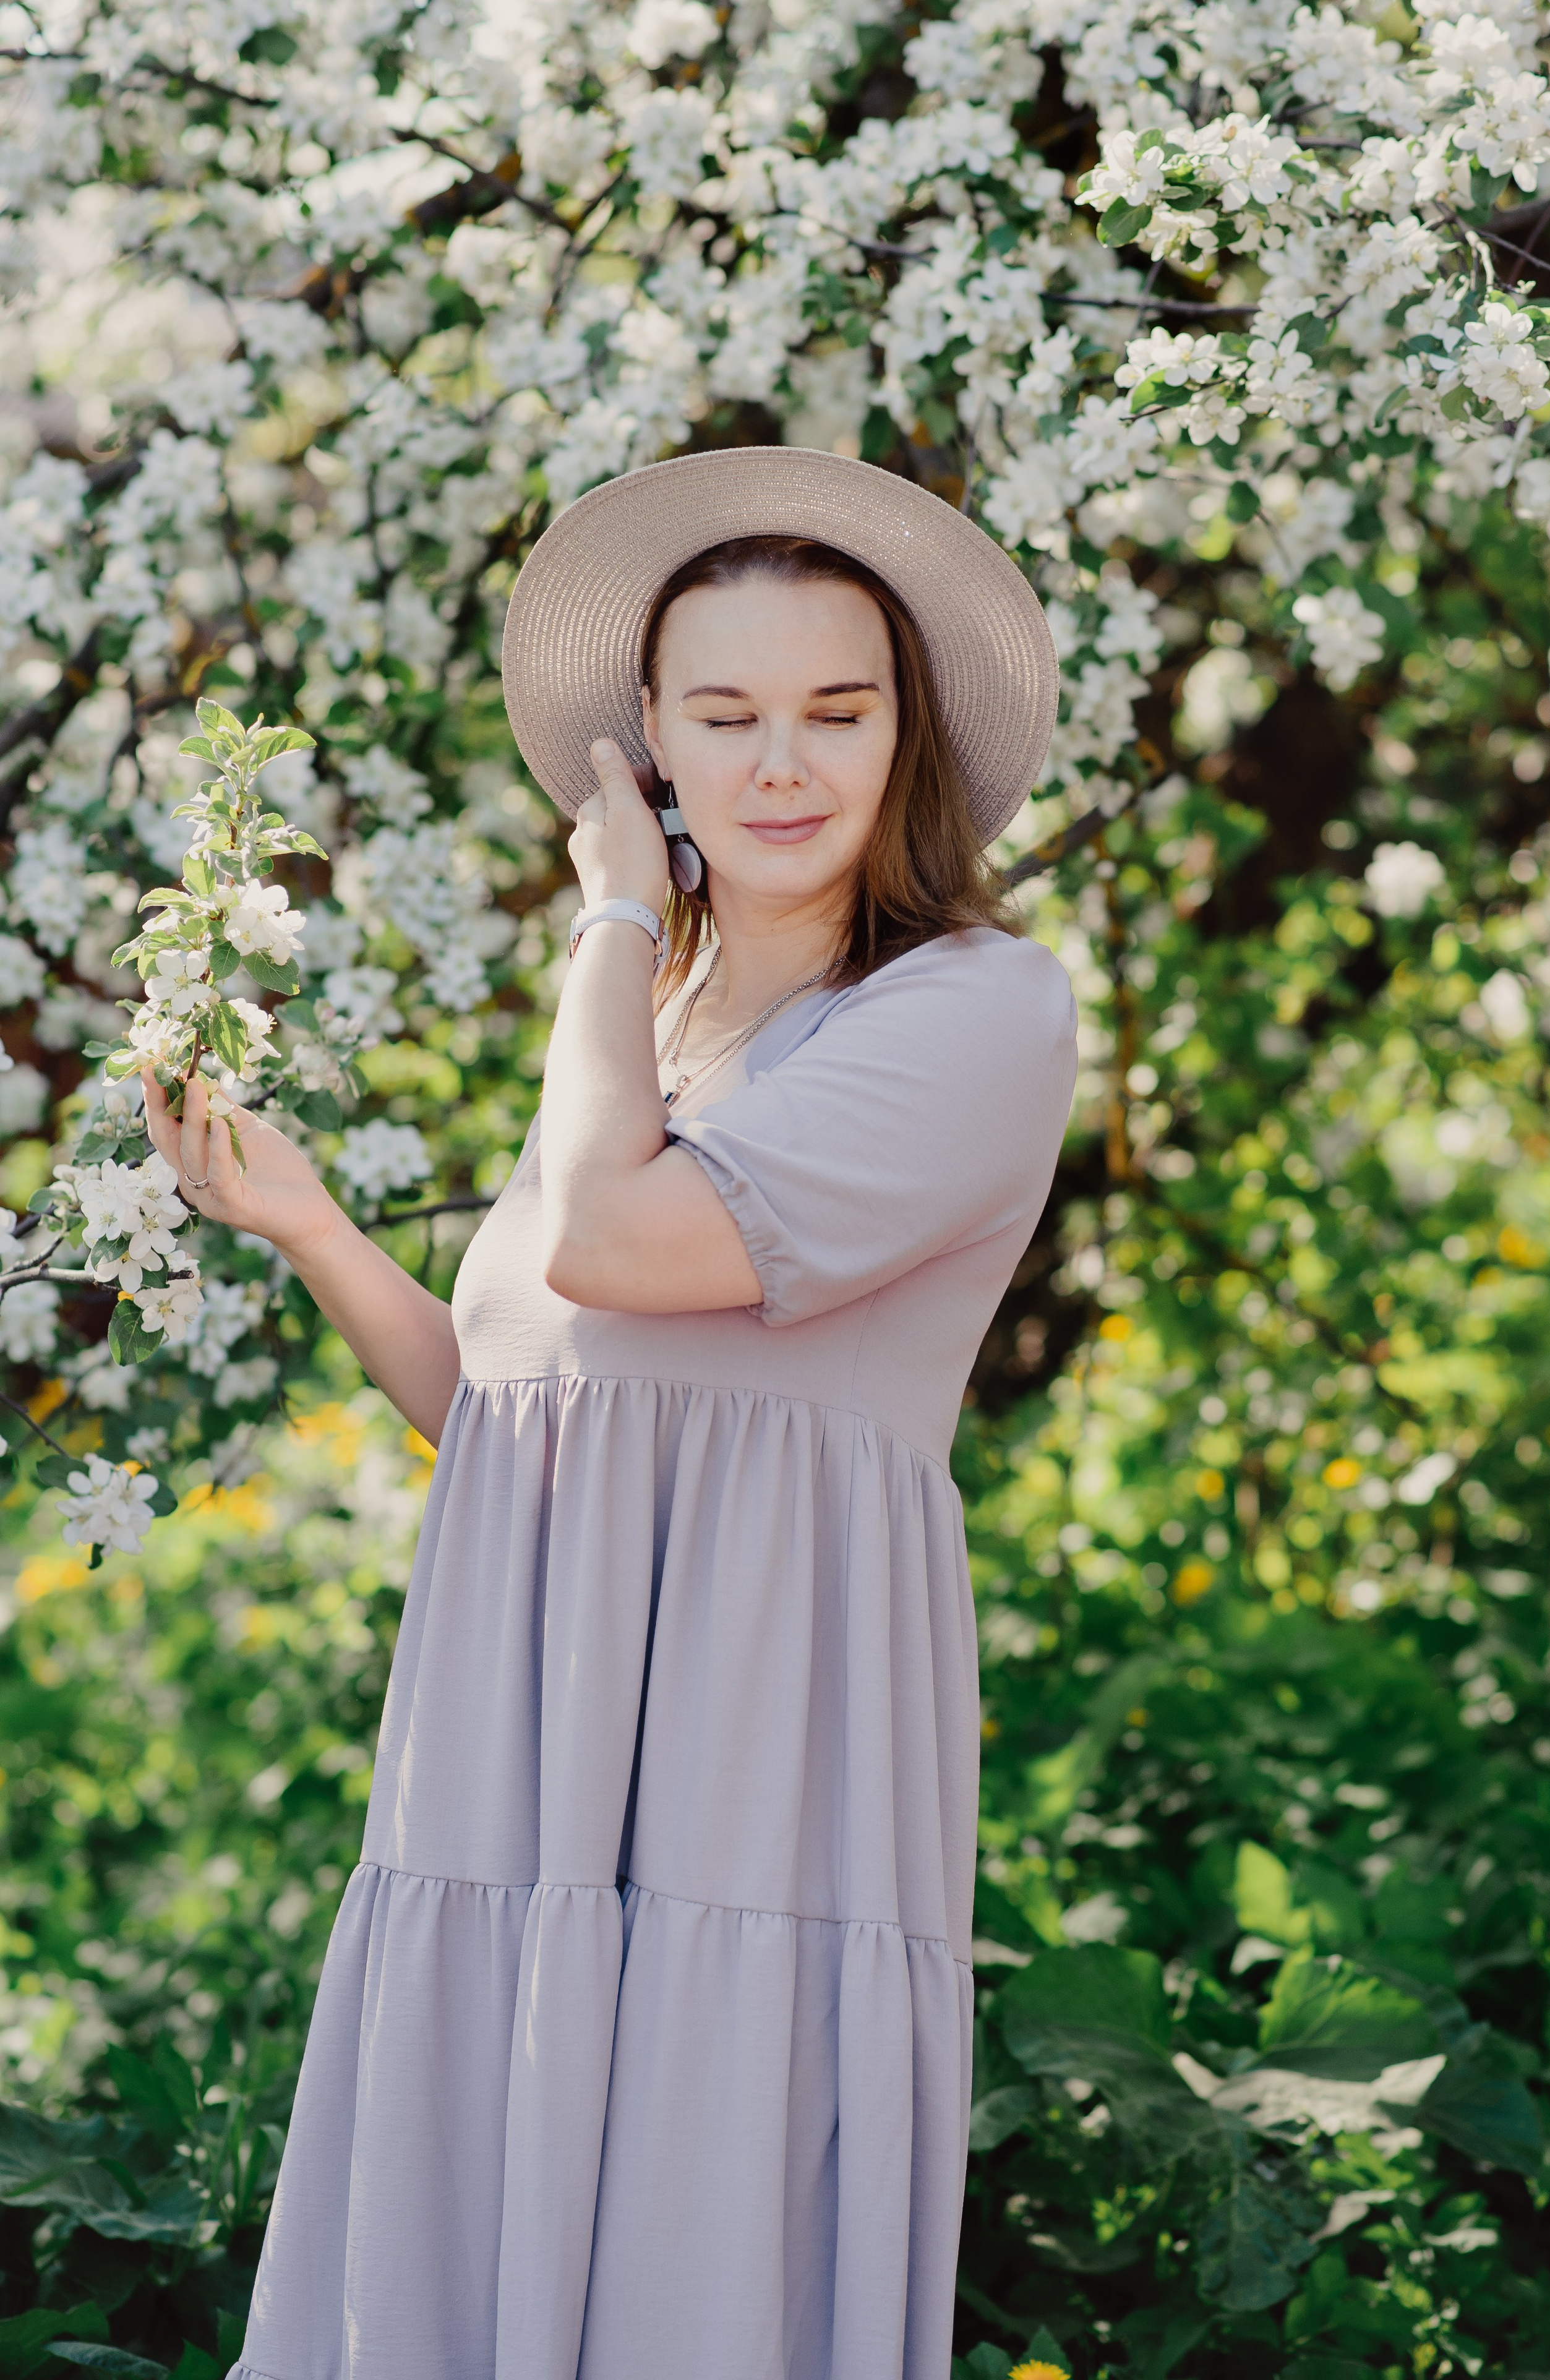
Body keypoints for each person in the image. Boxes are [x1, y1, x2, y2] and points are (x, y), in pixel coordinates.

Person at [150, 447, 1077, 2380]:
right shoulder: (648, 1032)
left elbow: (613, 1246)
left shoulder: (980, 1008)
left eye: (838, 711)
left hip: (764, 1758)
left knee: (689, 2242)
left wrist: (606, 922)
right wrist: (313, 1223)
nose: (781, 767)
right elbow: (519, 1421)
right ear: (645, 739)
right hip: (518, 1748)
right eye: (723, 716)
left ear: (910, 734)